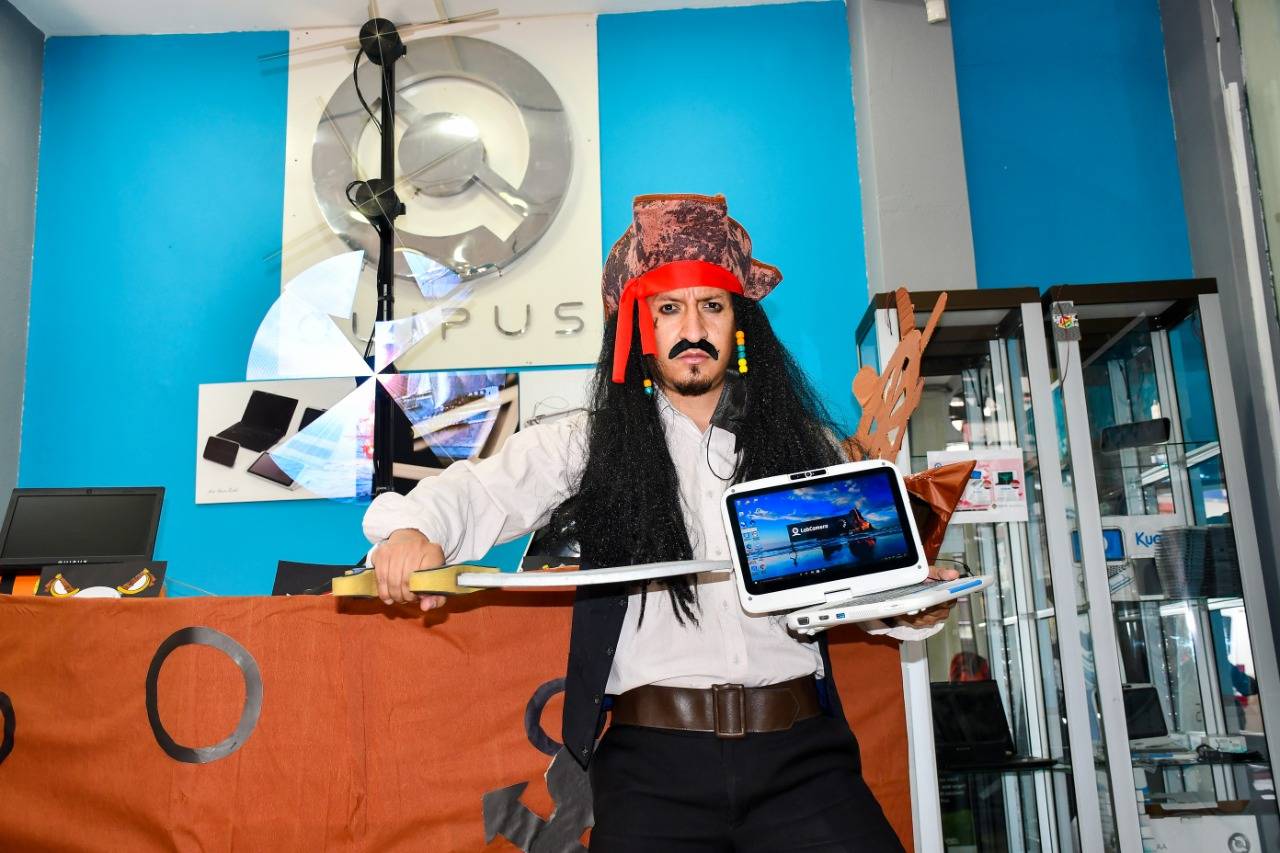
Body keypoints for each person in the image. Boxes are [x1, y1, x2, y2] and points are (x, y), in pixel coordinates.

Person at [364, 193, 958, 851]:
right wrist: (411, 532)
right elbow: (476, 493)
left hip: (804, 759)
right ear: (637, 329)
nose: (693, 328)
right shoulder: (585, 443)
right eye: (668, 309)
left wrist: (911, 602)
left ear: (739, 324)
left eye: (712, 306)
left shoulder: (808, 445)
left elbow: (861, 580)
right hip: (651, 773)